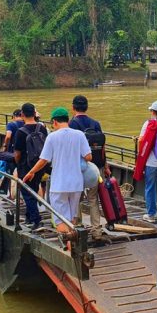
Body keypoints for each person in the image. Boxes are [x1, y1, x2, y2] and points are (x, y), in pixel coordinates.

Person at [23, 107, 91, 238]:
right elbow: (88, 157)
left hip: (59, 184)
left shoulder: (52, 137)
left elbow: (44, 160)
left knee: (60, 219)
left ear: (54, 122)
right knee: (71, 218)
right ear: (68, 120)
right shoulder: (79, 135)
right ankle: (73, 246)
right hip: (76, 184)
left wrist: (31, 172)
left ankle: (68, 247)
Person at [68, 94, 109, 244]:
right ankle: (96, 231)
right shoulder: (95, 123)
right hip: (95, 168)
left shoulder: (72, 124)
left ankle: (78, 229)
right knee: (93, 199)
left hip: (78, 168)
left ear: (73, 107)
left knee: (76, 199)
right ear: (87, 107)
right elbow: (103, 147)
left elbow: (71, 149)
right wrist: (106, 166)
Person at [13, 102, 48, 231]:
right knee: (34, 186)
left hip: (25, 165)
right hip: (40, 164)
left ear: (22, 114)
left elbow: (17, 153)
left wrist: (17, 164)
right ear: (34, 113)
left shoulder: (20, 132)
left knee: (27, 192)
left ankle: (36, 219)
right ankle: (28, 217)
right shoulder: (42, 128)